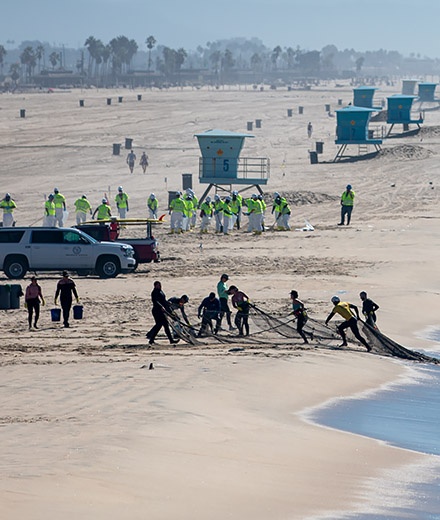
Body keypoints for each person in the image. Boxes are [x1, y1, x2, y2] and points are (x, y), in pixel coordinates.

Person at [146, 281, 179, 345]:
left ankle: (170, 340)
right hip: (157, 311)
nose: (160, 286)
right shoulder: (154, 292)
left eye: (160, 285)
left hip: (161, 311)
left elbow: (163, 300)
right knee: (159, 325)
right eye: (158, 285)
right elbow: (156, 301)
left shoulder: (161, 291)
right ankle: (152, 339)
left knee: (165, 325)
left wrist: (167, 303)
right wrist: (161, 307)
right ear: (155, 286)